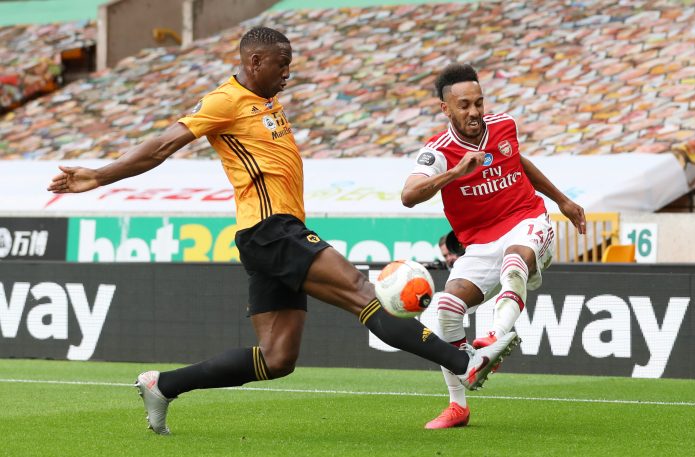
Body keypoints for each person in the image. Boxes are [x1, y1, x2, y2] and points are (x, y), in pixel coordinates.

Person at [47, 28, 518, 435]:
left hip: (268, 238)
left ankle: (162, 385)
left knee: (277, 359)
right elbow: (162, 146)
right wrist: (98, 176)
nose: (287, 72)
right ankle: (466, 363)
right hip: (272, 232)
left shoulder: (266, 101)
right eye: (281, 63)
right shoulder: (225, 100)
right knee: (362, 291)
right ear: (254, 61)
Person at [402, 63, 586, 429]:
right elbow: (408, 196)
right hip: (481, 243)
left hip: (527, 221)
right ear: (446, 109)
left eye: (478, 102)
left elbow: (517, 161)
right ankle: (458, 406)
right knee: (447, 308)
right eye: (464, 105)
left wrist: (562, 200)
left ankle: (495, 339)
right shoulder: (437, 152)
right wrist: (456, 172)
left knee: (514, 262)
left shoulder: (505, 126)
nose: (474, 112)